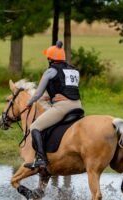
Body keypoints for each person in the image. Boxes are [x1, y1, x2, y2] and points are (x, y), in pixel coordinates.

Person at [26, 41, 82, 169]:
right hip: (78, 105)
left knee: (35, 126)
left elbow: (37, 94)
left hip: (63, 107)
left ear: (50, 59)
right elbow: (67, 88)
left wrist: (29, 103)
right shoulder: (74, 70)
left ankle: (41, 159)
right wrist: (51, 97)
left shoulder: (51, 71)